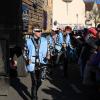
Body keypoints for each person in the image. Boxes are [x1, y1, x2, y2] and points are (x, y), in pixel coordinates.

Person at [23, 24, 48, 100]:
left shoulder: (44, 40)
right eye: (38, 31)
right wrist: (27, 59)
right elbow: (24, 52)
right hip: (32, 64)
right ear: (34, 32)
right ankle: (34, 97)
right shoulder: (28, 41)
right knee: (35, 82)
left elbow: (49, 49)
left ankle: (35, 91)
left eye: (41, 31)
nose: (40, 32)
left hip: (42, 63)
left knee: (40, 81)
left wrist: (48, 54)